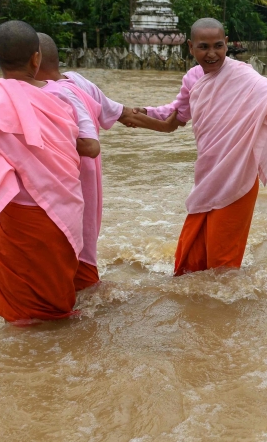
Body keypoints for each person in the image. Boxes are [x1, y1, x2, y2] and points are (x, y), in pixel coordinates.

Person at [128, 18, 267, 275]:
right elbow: (177, 113)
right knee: (190, 262)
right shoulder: (192, 79)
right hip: (208, 172)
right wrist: (145, 112)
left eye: (218, 46)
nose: (212, 54)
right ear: (190, 47)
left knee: (223, 266)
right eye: (204, 47)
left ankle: (224, 311)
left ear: (227, 44)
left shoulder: (242, 73)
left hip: (238, 173)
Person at [0, 21, 87, 324]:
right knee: (56, 305)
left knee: (22, 317)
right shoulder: (62, 102)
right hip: (63, 213)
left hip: (17, 217)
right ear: (36, 58)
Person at [33, 33, 176, 290]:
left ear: (33, 61)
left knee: (69, 270)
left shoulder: (51, 95)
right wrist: (166, 126)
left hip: (69, 192)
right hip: (90, 192)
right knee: (84, 251)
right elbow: (123, 113)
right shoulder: (76, 81)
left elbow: (88, 145)